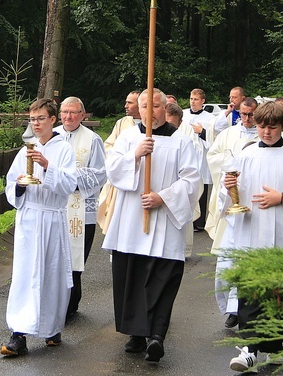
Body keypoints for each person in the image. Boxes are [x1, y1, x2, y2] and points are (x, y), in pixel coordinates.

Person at [220, 101, 283, 372]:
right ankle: (250, 348)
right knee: (251, 288)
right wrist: (229, 187)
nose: (266, 132)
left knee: (279, 291)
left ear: (282, 126)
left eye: (272, 127)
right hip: (251, 229)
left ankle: (274, 346)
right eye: (262, 126)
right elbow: (231, 195)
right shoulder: (246, 154)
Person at [102, 89, 200, 363]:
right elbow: (112, 170)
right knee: (131, 277)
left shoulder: (182, 140)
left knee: (161, 279)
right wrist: (135, 155)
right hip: (132, 221)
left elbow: (192, 180)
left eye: (155, 106)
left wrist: (163, 197)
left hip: (165, 220)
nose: (150, 111)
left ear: (165, 107)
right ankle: (136, 334)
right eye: (144, 106)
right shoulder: (129, 136)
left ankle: (156, 335)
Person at [1, 98, 78, 357]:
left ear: (52, 120)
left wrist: (46, 165)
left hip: (51, 218)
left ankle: (51, 328)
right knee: (24, 275)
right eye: (32, 119)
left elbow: (68, 185)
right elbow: (11, 185)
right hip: (30, 219)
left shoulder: (63, 149)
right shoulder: (24, 150)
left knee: (51, 274)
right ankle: (18, 334)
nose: (35, 124)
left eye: (40, 119)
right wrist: (20, 186)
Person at [204, 97, 259, 329]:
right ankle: (231, 308)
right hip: (232, 206)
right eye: (242, 114)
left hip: (254, 208)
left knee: (247, 262)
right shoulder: (228, 134)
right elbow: (212, 157)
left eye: (250, 114)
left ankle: (243, 309)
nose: (246, 119)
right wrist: (230, 166)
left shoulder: (264, 137)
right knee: (227, 262)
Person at [54, 97, 107, 317]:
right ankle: (55, 303)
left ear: (82, 115)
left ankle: (70, 305)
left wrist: (70, 181)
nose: (68, 116)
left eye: (73, 112)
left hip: (81, 208)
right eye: (64, 112)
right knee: (55, 258)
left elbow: (100, 172)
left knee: (75, 259)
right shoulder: (52, 136)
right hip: (55, 208)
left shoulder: (92, 140)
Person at [97, 91, 141, 233]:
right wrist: (123, 159)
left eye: (130, 103)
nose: (125, 106)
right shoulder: (122, 122)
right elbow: (108, 145)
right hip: (122, 176)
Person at [165, 102, 203, 258]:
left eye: (172, 124)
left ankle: (180, 251)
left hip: (176, 189)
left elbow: (194, 162)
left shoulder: (184, 140)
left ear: (180, 123)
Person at [182, 89, 216, 231]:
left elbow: (214, 138)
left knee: (201, 188)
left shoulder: (210, 118)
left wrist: (202, 132)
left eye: (196, 99)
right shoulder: (183, 114)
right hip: (186, 155)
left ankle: (200, 222)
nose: (193, 102)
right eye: (191, 98)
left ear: (203, 101)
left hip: (200, 158)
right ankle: (186, 218)